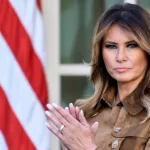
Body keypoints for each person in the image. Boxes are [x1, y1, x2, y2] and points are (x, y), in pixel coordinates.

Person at [45, 3, 150, 150]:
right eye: (111, 46)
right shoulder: (85, 112)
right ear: (100, 53)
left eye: (132, 45)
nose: (120, 57)